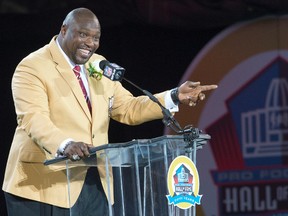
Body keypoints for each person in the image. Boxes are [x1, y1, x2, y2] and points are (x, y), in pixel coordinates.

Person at [2, 7, 217, 216]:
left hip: (95, 182)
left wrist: (174, 95)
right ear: (64, 30)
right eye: (83, 34)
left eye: (95, 38)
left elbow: (128, 108)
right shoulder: (32, 67)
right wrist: (65, 144)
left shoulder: (97, 64)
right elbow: (33, 118)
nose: (90, 43)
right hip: (44, 184)